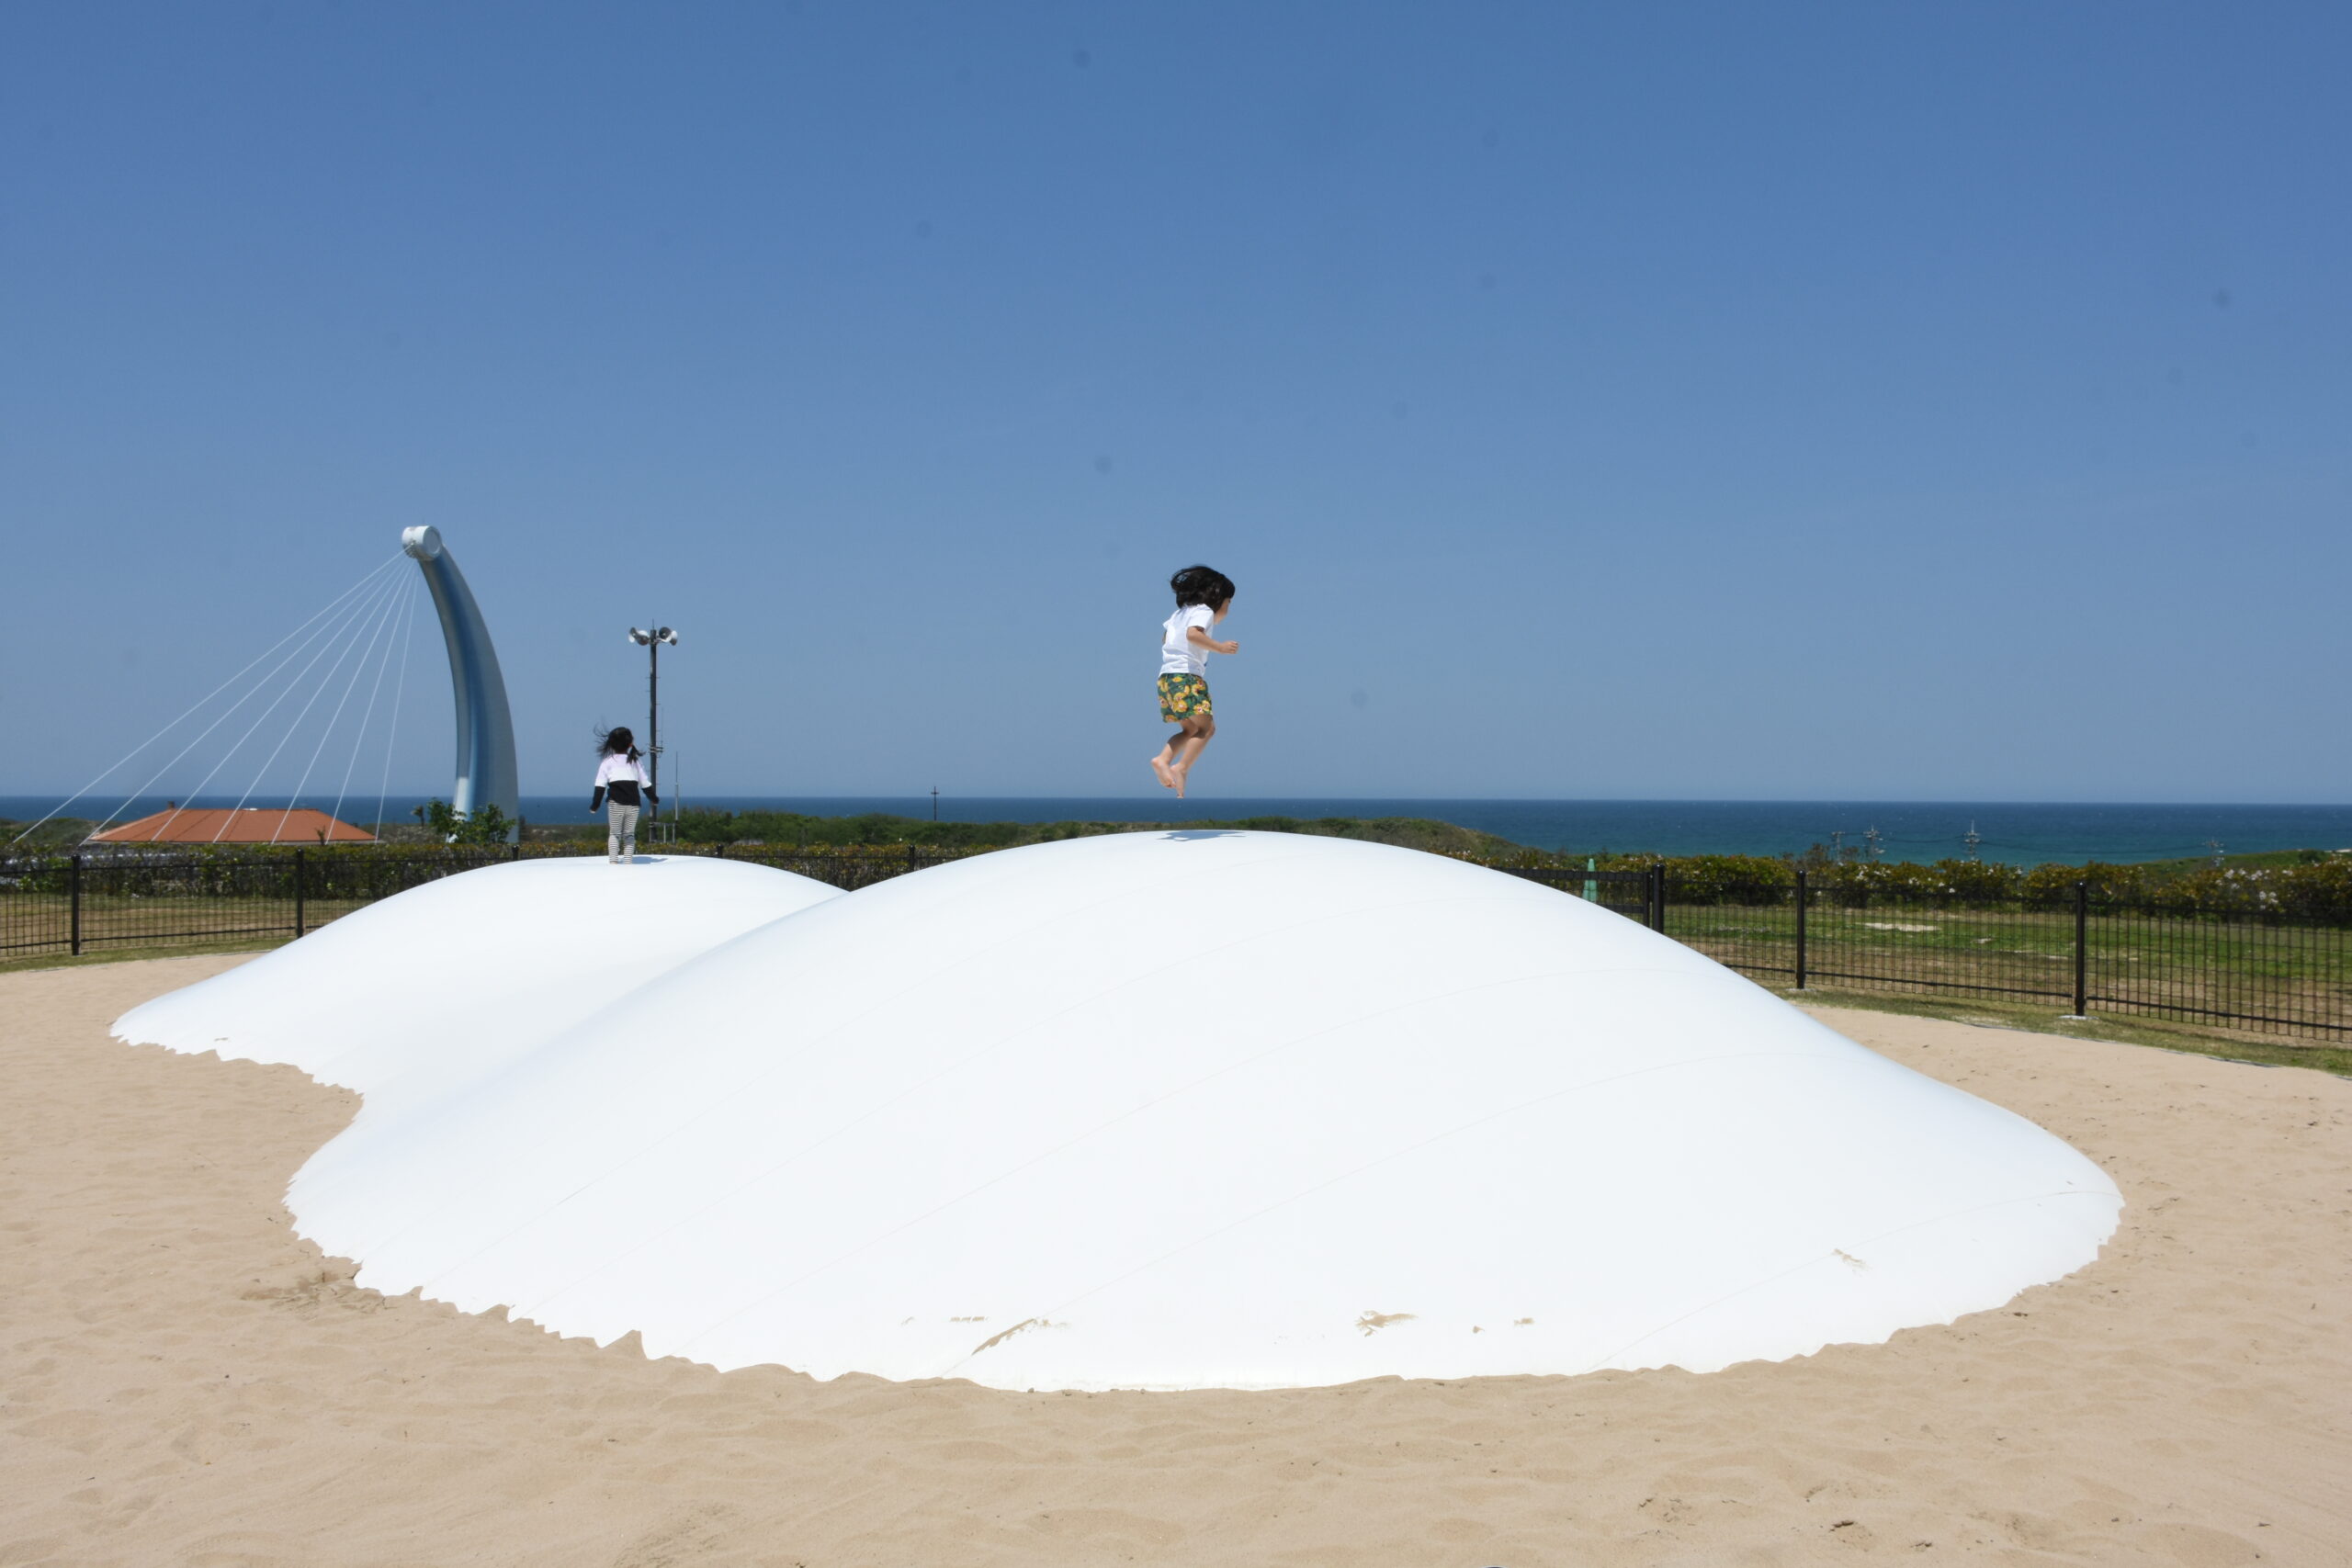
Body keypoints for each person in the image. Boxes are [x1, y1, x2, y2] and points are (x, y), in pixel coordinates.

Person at [1149, 565, 1238, 798]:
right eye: (1228, 603)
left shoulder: (1178, 615)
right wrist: (1219, 647)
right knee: (1207, 729)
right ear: (1217, 598)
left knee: (1189, 729)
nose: (1228, 609)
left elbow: (1166, 639)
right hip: (1186, 677)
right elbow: (1193, 635)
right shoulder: (1204, 612)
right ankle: (1181, 767)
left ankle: (1163, 759)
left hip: (1166, 679)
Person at [590, 727, 657, 864]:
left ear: (611, 744)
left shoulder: (607, 762)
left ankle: (613, 862)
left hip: (616, 803)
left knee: (615, 834)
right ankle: (628, 862)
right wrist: (654, 798)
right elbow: (645, 783)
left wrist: (595, 805)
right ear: (630, 744)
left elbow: (600, 785)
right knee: (629, 835)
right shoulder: (635, 761)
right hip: (634, 804)